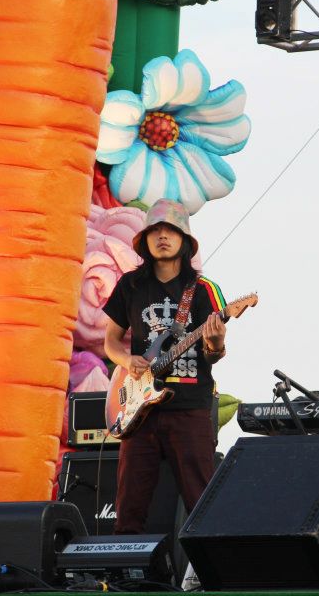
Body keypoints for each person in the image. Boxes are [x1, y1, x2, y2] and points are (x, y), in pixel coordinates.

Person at [102, 198, 227, 534]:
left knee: (201, 503)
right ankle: (123, 565)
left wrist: (215, 343)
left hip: (190, 409)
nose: (162, 236)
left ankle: (209, 565)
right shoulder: (130, 285)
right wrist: (127, 360)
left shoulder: (203, 290)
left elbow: (212, 355)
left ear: (184, 240)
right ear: (144, 240)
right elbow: (110, 342)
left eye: (170, 230)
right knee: (129, 509)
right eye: (155, 230)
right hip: (140, 411)